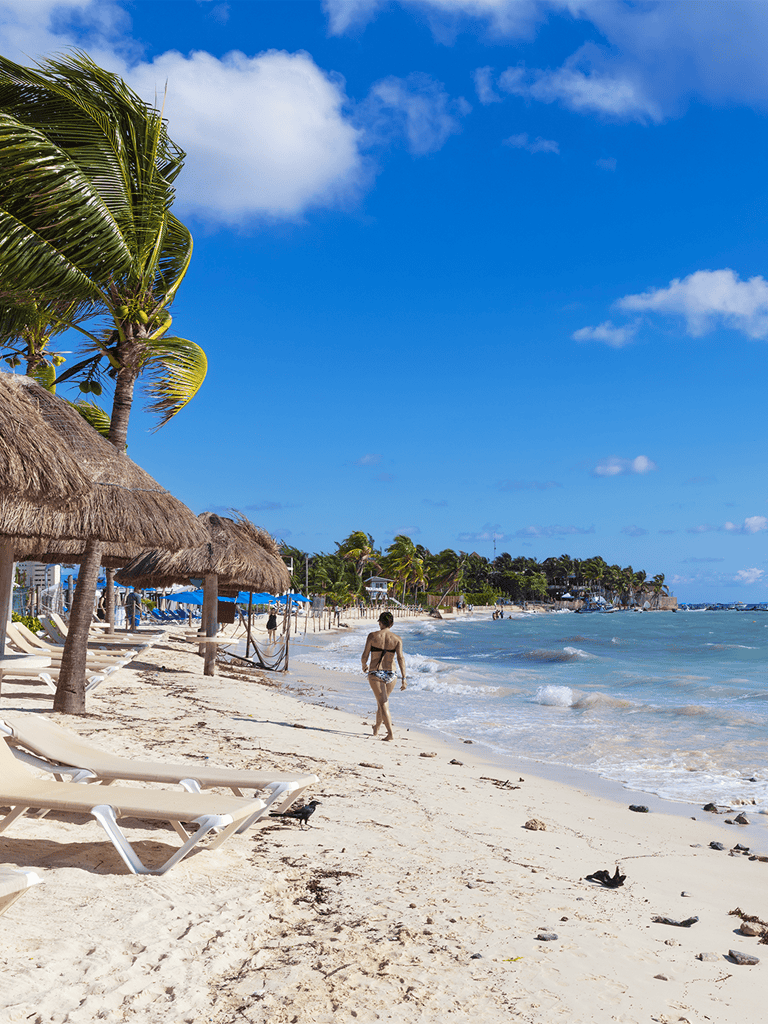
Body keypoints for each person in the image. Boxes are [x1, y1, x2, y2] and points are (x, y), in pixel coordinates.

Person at [361, 611, 407, 741]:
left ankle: (390, 734)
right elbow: (400, 658)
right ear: (391, 624)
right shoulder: (397, 639)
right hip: (392, 674)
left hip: (376, 672)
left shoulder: (372, 636)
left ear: (380, 622)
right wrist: (404, 678)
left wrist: (364, 665)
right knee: (381, 702)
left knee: (383, 703)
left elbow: (365, 655)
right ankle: (376, 727)